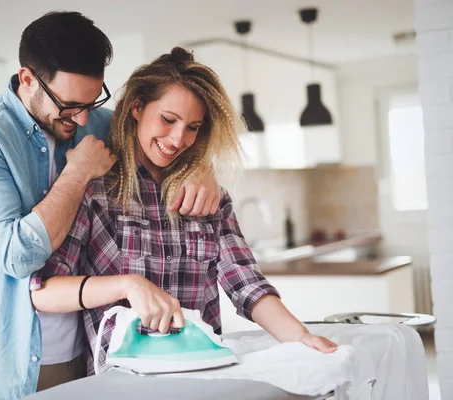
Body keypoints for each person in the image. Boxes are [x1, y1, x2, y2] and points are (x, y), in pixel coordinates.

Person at [0, 12, 221, 400]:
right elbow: (18, 257)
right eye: (70, 104)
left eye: (92, 102)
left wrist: (200, 169)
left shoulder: (96, 122)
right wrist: (76, 174)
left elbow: (165, 142)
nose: (81, 118)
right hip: (7, 358)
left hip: (90, 350)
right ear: (28, 79)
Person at [30, 47, 338, 376]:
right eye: (168, 120)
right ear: (136, 108)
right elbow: (43, 290)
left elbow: (246, 285)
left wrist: (300, 338)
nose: (178, 139)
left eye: (193, 127)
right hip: (124, 384)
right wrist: (128, 285)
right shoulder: (98, 190)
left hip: (204, 377)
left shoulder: (208, 198)